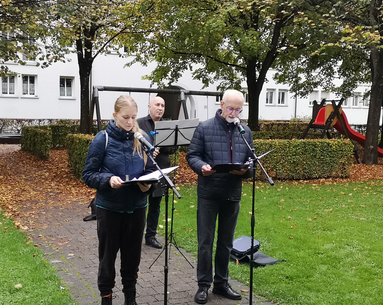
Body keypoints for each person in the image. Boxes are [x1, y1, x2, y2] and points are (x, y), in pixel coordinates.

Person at [82, 95, 156, 305]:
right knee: (107, 258)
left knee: (132, 258)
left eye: (133, 117)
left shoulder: (142, 139)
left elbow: (150, 170)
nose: (130, 122)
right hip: (110, 209)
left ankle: (130, 298)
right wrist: (108, 180)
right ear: (114, 115)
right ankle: (106, 298)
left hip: (136, 207)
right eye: (125, 117)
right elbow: (88, 175)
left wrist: (148, 183)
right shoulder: (102, 139)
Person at [186, 89, 254, 304]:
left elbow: (252, 161)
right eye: (231, 108)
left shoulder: (245, 131)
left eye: (238, 109)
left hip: (232, 193)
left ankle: (221, 283)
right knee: (205, 242)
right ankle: (203, 285)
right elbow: (192, 155)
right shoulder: (204, 128)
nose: (234, 113)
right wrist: (201, 167)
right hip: (209, 192)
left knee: (225, 243)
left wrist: (246, 171)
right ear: (222, 104)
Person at [137, 96, 177, 249]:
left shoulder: (167, 126)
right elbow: (133, 145)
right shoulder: (140, 123)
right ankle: (136, 234)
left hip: (161, 170)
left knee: (156, 205)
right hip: (143, 170)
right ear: (149, 106)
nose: (160, 108)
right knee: (141, 204)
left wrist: (161, 147)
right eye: (157, 105)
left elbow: (173, 149)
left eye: (163, 105)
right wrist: (147, 151)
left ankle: (151, 236)